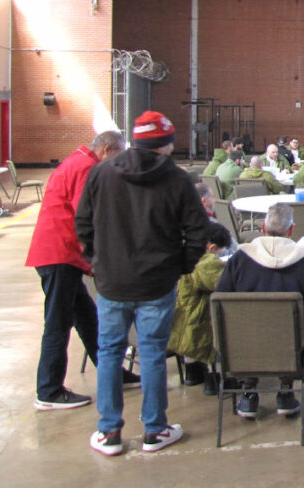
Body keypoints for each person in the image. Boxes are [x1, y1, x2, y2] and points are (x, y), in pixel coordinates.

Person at [76, 111, 209, 456]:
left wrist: (98, 262)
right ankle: (155, 429)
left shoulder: (101, 173)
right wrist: (181, 265)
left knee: (110, 352)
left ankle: (109, 432)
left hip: (112, 282)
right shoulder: (177, 179)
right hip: (157, 283)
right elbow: (199, 230)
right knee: (152, 353)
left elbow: (83, 224)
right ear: (165, 144)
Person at [27, 130, 131, 411]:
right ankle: (49, 390)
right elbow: (88, 217)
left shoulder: (77, 161)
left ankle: (113, 372)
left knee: (87, 318)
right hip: (59, 254)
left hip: (60, 254)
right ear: (107, 149)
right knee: (58, 323)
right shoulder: (86, 168)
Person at [216, 203, 304, 419]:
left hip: (244, 347)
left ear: (262, 228)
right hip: (292, 347)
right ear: (291, 230)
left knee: (244, 329)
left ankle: (248, 391)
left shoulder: (239, 260)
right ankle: (286, 389)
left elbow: (220, 305)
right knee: (302, 326)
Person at [167, 225, 230, 395]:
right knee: (220, 317)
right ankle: (213, 378)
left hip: (174, 322)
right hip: (195, 328)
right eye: (220, 252)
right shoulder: (205, 263)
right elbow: (225, 286)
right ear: (211, 247)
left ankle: (192, 373)